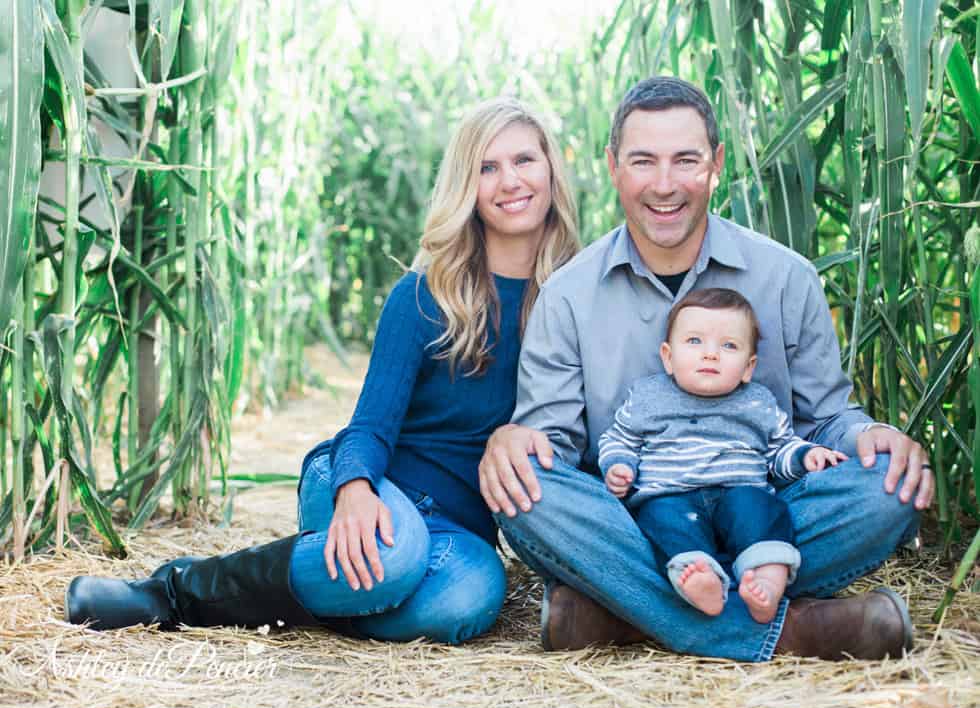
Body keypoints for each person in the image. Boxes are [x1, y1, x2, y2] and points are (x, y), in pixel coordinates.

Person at [64, 99, 579, 645]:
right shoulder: (426, 294)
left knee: (466, 601)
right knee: (395, 556)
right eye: (487, 167)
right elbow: (369, 427)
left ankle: (305, 597)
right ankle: (172, 591)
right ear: (466, 187)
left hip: (459, 531)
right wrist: (355, 490)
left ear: (551, 168)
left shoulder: (573, 301)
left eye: (524, 160)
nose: (510, 181)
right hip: (367, 478)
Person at [479, 77, 935, 661]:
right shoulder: (567, 295)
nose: (664, 185)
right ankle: (791, 631)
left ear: (716, 164)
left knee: (889, 485)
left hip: (763, 515)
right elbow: (554, 446)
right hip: (633, 524)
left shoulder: (787, 278)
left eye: (686, 160)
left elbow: (826, 419)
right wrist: (519, 443)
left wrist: (869, 434)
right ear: (614, 166)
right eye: (643, 161)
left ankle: (626, 615)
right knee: (522, 490)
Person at [600, 287, 845, 623]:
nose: (710, 354)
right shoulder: (648, 396)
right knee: (665, 523)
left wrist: (805, 456)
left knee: (765, 514)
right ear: (668, 357)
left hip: (739, 492)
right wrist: (618, 465)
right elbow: (619, 439)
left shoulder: (757, 401)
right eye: (695, 342)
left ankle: (767, 584)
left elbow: (778, 449)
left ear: (748, 366)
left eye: (729, 346)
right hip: (672, 496)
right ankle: (701, 578)